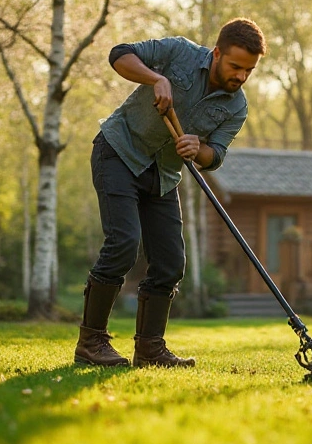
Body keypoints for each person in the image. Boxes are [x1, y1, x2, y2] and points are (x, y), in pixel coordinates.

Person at [74, 18, 266, 368]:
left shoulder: (237, 106)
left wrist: (199, 148)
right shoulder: (179, 52)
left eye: (249, 70)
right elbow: (120, 55)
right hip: (119, 152)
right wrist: (156, 78)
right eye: (236, 66)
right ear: (217, 53)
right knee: (123, 242)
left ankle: (150, 350)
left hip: (161, 175)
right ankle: (91, 343)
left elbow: (215, 155)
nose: (241, 76)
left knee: (171, 262)